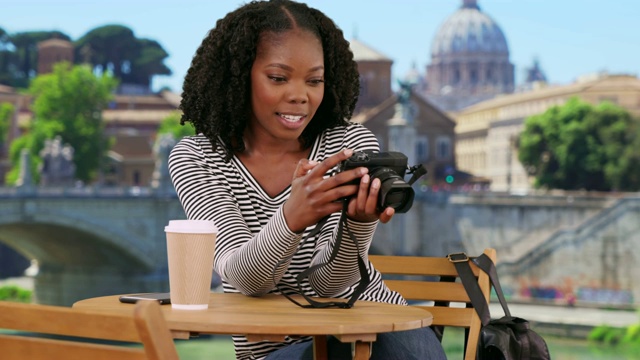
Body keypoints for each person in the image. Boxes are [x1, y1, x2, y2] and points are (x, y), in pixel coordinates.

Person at [168, 1, 447, 359]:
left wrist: (358, 225)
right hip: (275, 350)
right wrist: (291, 218)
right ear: (237, 76)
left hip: (376, 327)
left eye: (314, 80)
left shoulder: (349, 144)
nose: (300, 95)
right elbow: (243, 279)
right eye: (278, 78)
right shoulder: (199, 158)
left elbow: (329, 285)